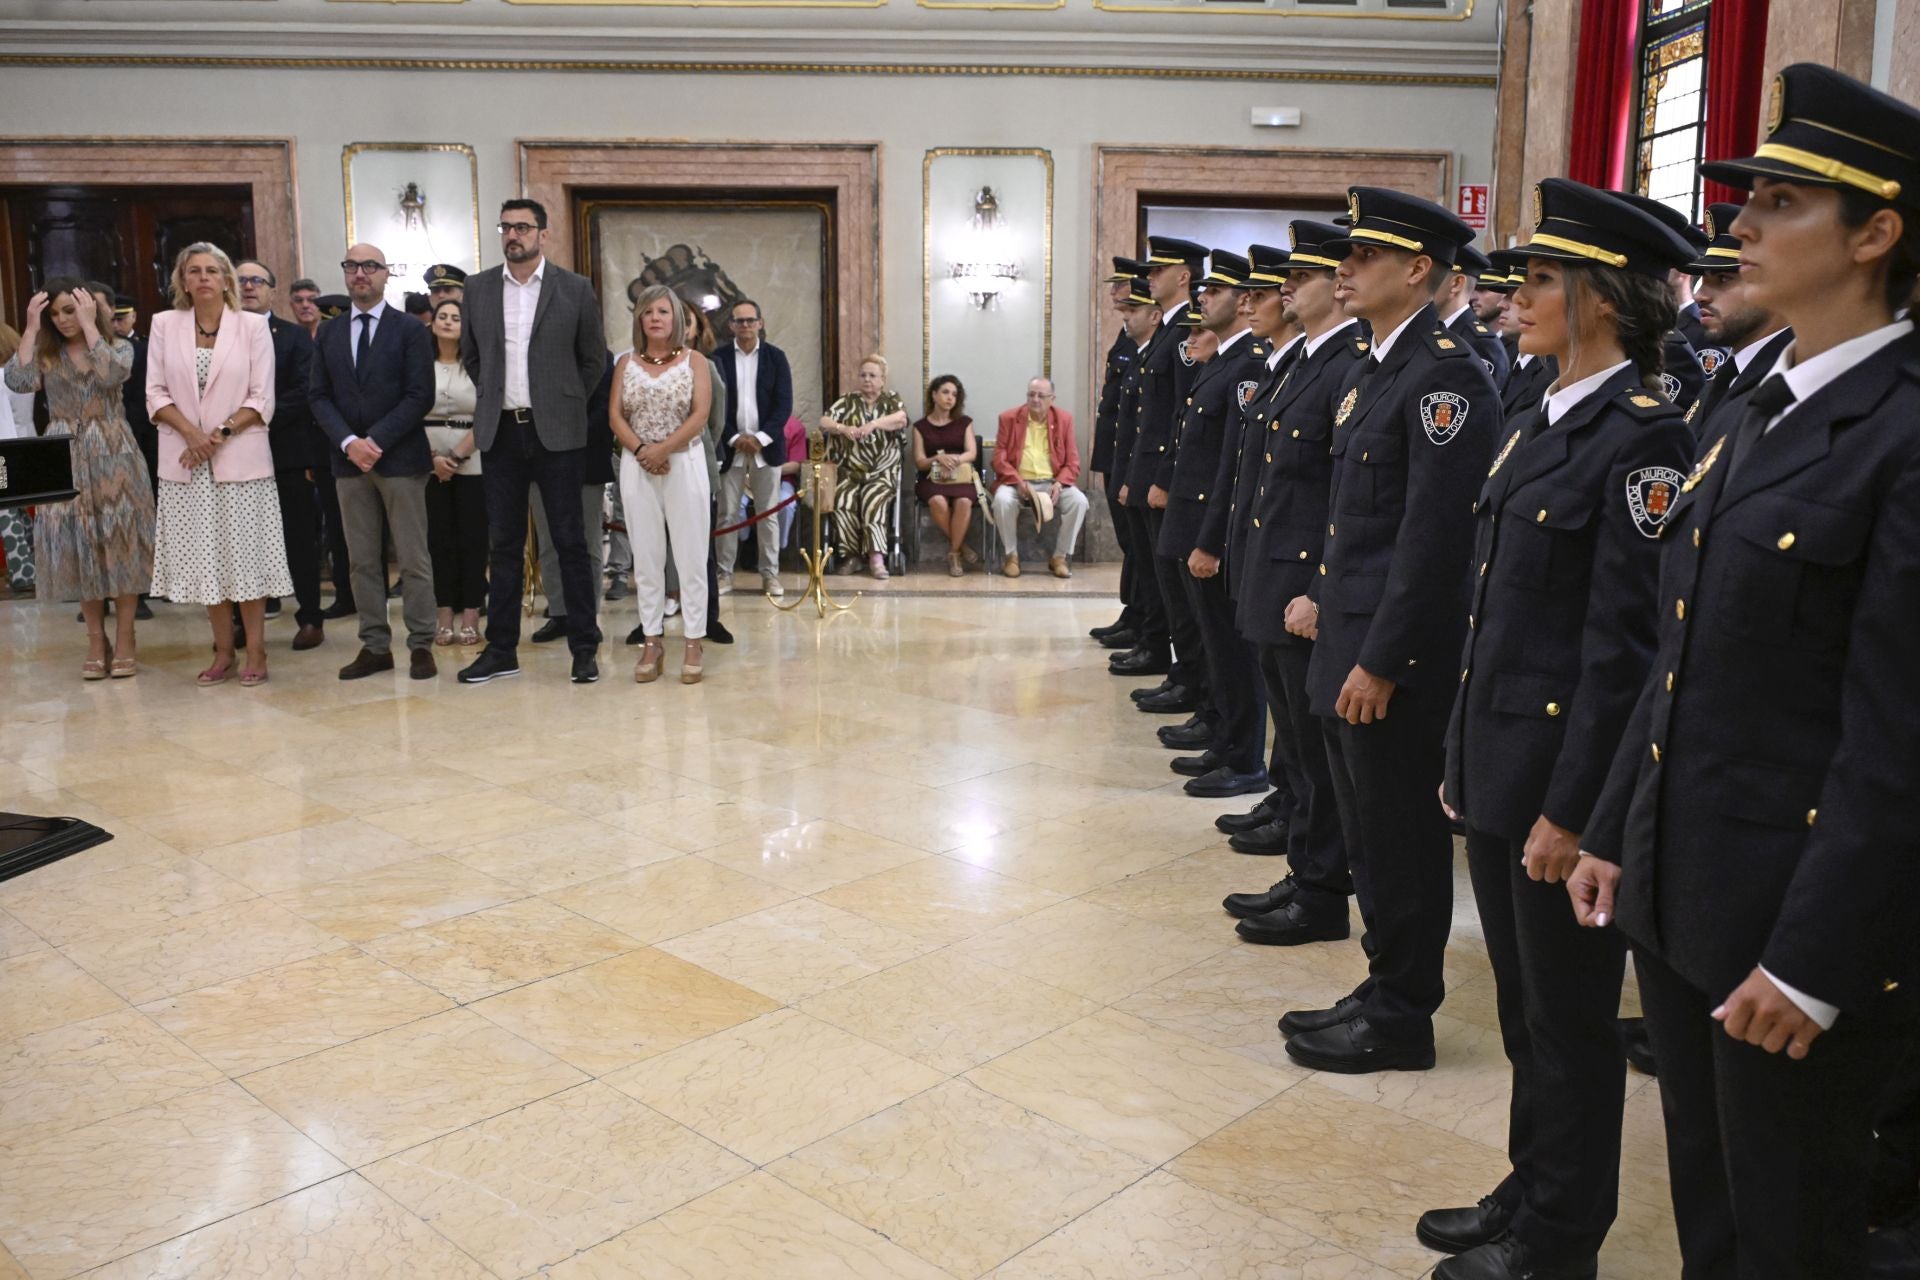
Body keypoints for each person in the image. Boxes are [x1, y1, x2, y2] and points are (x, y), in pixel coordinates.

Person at [1569, 63, 1920, 1279]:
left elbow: (1896, 743)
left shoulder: (1900, 433)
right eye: (1747, 199)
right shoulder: (1749, 410)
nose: (1742, 225)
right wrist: (1618, 829)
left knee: (1791, 1232)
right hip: (1689, 889)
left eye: (1780, 202)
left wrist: (1814, 962)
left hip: (1794, 921)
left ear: (1875, 235)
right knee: (1712, 1208)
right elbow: (1679, 658)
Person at [1418, 180, 1696, 1280]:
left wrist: (1573, 812)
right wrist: (1461, 758)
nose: (1516, 296)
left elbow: (1622, 656)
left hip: (1557, 787)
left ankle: (1559, 1236)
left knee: (1571, 1023)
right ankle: (1530, 1184)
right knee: (1525, 1010)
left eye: (1540, 279)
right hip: (1502, 764)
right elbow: (1493, 617)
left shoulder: (1644, 440)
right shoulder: (1540, 416)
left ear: (1603, 297)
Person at [1278, 187, 1501, 1074]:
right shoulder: (1377, 367)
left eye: (1363, 255)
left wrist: (1383, 660)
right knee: (1368, 837)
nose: (1344, 268)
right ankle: (1381, 985)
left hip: (1389, 661)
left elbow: (1435, 541)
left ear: (1418, 269)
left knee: (1401, 842)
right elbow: (1354, 524)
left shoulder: (1447, 377)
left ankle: (1405, 1014)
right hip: (1349, 643)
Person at [1221, 225, 1365, 932]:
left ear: (1335, 286)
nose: (1286, 288)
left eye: (1301, 277)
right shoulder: (1305, 361)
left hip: (1303, 590)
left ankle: (1321, 889)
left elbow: (1341, 500)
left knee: (1315, 754)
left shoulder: (1346, 366)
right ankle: (1306, 873)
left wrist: (1319, 590)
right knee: (1300, 750)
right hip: (1274, 582)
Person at [458, 198, 608, 686]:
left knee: (570, 542)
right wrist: (495, 396)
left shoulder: (574, 288)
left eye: (523, 227)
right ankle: (501, 650)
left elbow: (593, 360)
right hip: (500, 431)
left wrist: (564, 401)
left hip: (558, 433)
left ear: (543, 233)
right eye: (506, 227)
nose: (513, 235)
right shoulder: (478, 288)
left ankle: (583, 647)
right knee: (503, 545)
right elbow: (472, 357)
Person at [145, 244, 289, 686]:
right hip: (185, 461)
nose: (204, 277)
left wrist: (216, 436)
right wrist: (192, 435)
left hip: (240, 458)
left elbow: (262, 397)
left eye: (212, 270)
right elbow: (155, 392)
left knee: (244, 559)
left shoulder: (251, 326)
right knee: (206, 560)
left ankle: (257, 650)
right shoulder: (164, 324)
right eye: (194, 271)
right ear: (182, 281)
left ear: (227, 280)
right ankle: (223, 651)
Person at [4, 280, 154, 676]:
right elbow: (18, 381)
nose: (62, 319)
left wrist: (91, 326)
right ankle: (95, 639)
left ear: (87, 308)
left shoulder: (117, 346)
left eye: (69, 310)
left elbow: (112, 375)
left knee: (121, 542)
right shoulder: (46, 352)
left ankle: (125, 636)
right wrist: (31, 327)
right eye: (55, 313)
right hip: (64, 451)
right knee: (78, 545)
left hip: (113, 448)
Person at [308, 241, 438, 682]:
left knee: (413, 558)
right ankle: (375, 646)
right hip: (348, 463)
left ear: (386, 274)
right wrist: (349, 442)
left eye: (370, 266)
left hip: (400, 459)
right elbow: (318, 396)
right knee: (361, 560)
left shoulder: (409, 330)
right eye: (352, 266)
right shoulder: (329, 333)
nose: (360, 273)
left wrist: (375, 440)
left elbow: (420, 395)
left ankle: (421, 644)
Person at [1162, 251, 1266, 798]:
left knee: (1231, 650)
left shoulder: (1247, 364)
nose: (1203, 298)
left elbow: (1232, 463)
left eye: (1216, 291)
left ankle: (1245, 758)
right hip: (1193, 521)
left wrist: (1210, 540)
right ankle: (1226, 740)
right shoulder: (1223, 360)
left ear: (1244, 301)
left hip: (1214, 529)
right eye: (1203, 290)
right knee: (1212, 643)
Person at [1116, 235, 1208, 702]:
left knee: (1176, 586)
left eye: (1158, 270)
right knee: (1165, 582)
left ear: (1183, 276)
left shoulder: (1184, 335)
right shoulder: (1168, 335)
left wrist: (1163, 479)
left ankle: (1189, 676)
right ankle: (1181, 671)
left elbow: (1185, 417)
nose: (1149, 277)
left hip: (1168, 482)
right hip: (1151, 476)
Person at [613, 285, 711, 684]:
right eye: (648, 311)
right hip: (637, 465)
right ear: (639, 318)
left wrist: (663, 450)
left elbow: (700, 414)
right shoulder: (625, 362)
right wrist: (642, 451)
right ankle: (652, 641)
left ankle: (693, 640)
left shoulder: (695, 361)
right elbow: (615, 416)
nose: (655, 317)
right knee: (646, 555)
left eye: (663, 311)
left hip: (684, 462)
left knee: (690, 556)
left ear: (677, 319)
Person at [236, 260, 325, 650]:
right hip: (233, 455)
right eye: (240, 280)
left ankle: (310, 617)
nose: (248, 286)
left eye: (257, 281)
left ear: (272, 291)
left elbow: (304, 390)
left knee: (299, 538)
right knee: (242, 542)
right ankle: (243, 623)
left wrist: (250, 419)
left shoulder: (292, 336)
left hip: (285, 451)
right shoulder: (217, 335)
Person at [1682, 203, 1794, 439]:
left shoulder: (1790, 379)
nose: (1699, 295)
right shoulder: (1728, 375)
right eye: (1703, 281)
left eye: (1723, 279)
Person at [712, 297, 793, 596]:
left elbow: (784, 405)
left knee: (768, 514)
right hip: (730, 448)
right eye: (739, 321)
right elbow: (714, 406)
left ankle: (770, 575)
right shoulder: (718, 358)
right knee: (727, 514)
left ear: (760, 323)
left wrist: (760, 438)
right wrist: (735, 438)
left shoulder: (776, 357)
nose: (745, 325)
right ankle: (724, 574)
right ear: (731, 325)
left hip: (766, 449)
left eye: (750, 320)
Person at [1090, 256, 1148, 643]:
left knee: (1138, 544)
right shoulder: (1126, 336)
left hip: (1131, 455)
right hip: (1115, 451)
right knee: (1130, 543)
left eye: (1120, 285)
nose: (1113, 292)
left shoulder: (1150, 337)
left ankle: (1143, 620)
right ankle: (1133, 611)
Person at [423, 299, 485, 648]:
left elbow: (487, 412)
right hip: (427, 462)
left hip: (472, 459)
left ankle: (472, 613)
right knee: (438, 540)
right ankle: (444, 613)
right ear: (432, 324)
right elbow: (409, 408)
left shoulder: (476, 366)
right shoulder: (420, 364)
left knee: (473, 540)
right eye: (442, 317)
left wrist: (457, 454)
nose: (448, 322)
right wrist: (432, 457)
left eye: (456, 318)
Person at [819, 354, 908, 578]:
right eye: (863, 375)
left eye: (872, 375)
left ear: (882, 380)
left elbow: (901, 419)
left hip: (882, 470)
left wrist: (874, 424)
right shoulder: (847, 401)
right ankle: (851, 557)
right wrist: (842, 428)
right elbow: (824, 421)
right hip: (850, 470)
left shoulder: (891, 400)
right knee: (842, 499)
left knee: (872, 500)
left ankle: (876, 558)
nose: (867, 379)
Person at [990, 376, 1084, 579]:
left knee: (1079, 502)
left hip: (1051, 482)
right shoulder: (1008, 418)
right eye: (1031, 394)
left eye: (1041, 396)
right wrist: (1017, 482)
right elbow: (998, 459)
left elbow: (1073, 462)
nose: (1035, 399)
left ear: (1052, 399)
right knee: (1002, 500)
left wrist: (1059, 484)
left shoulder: (1064, 419)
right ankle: (1011, 556)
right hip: (1017, 482)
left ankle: (1059, 557)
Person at [913, 374, 980, 576]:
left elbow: (972, 453)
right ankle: (961, 547)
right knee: (938, 502)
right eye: (945, 392)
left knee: (964, 502)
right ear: (934, 395)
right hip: (932, 479)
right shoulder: (920, 427)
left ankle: (953, 553)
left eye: (954, 394)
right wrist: (937, 458)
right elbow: (919, 462)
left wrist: (954, 460)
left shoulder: (964, 422)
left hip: (960, 477)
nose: (950, 397)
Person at [1442, 245, 1512, 385]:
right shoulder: (1445, 330)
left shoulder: (1482, 344)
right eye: (1474, 289)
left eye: (1482, 289)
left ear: (1504, 292)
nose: (1473, 297)